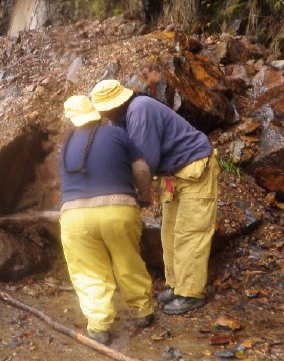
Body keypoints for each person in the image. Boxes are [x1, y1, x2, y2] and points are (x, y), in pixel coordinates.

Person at [89, 79, 219, 315]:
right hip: (172, 176)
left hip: (194, 169)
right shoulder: (118, 120)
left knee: (189, 233)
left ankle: (190, 293)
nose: (102, 113)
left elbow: (146, 161)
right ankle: (176, 285)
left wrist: (134, 196)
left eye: (104, 108)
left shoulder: (140, 110)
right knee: (169, 233)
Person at [59, 96, 155, 344]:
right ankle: (142, 311)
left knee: (89, 270)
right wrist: (144, 196)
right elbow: (142, 170)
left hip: (74, 216)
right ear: (95, 113)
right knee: (127, 260)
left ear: (71, 118)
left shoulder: (66, 144)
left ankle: (99, 325)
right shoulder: (117, 135)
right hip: (118, 210)